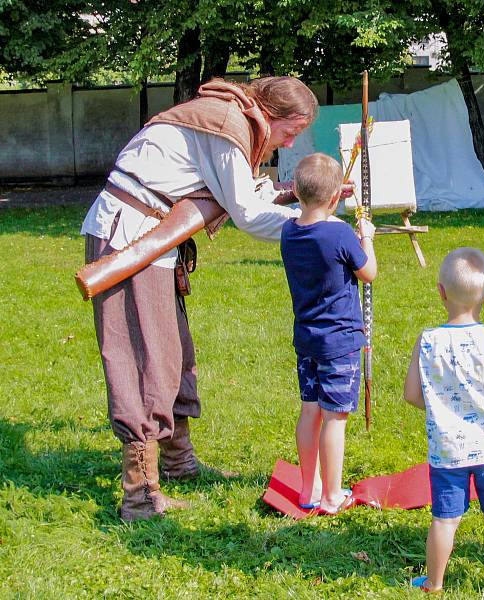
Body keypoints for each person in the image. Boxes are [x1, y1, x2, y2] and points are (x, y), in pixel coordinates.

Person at [81, 76, 341, 521]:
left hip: (154, 241)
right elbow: (247, 212)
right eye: (291, 130)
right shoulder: (225, 124)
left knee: (173, 352)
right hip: (128, 237)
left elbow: (243, 190)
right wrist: (315, 226)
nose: (290, 141)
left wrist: (301, 200)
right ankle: (139, 495)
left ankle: (178, 463)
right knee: (146, 359)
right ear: (270, 114)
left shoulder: (232, 121)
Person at [403, 247, 484, 592]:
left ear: (441, 292)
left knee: (445, 519)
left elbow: (413, 395)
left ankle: (435, 581)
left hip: (447, 452)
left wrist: (442, 410)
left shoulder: (427, 341)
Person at [280, 152, 377, 515]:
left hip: (307, 339)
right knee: (335, 417)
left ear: (295, 192)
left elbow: (325, 244)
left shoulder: (289, 231)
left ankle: (308, 489)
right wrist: (366, 237)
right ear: (336, 198)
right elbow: (369, 273)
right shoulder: (339, 234)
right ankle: (332, 494)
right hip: (340, 341)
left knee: (310, 412)